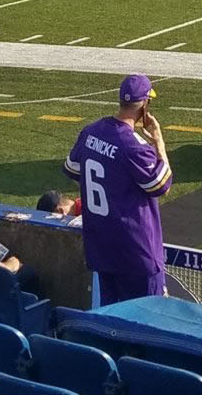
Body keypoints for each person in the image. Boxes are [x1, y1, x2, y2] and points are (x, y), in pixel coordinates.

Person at [64, 73, 173, 303]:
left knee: (112, 320)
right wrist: (159, 142)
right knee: (149, 321)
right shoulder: (133, 146)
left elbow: (73, 169)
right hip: (135, 251)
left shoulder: (91, 132)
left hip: (101, 246)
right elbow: (161, 184)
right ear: (145, 105)